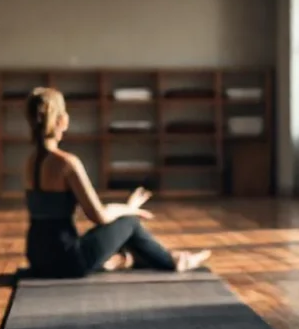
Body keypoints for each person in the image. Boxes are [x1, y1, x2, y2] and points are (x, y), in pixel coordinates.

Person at [22, 87, 211, 278]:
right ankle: (175, 261)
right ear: (63, 120)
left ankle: (123, 260)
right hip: (68, 261)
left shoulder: (30, 162)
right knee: (129, 222)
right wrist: (129, 208)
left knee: (107, 232)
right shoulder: (66, 162)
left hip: (36, 258)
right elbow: (99, 216)